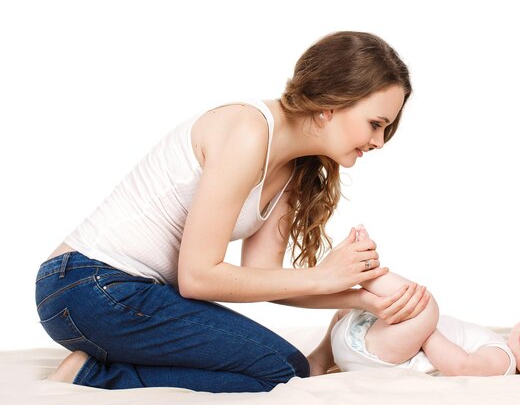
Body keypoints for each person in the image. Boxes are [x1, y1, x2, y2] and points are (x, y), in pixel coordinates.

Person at [35, 31, 432, 393]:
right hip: (88, 285)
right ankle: (93, 376)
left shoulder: (294, 169)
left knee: (284, 369)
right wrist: (323, 276)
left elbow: (265, 281)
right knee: (283, 369)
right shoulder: (248, 130)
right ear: (331, 103)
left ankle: (103, 365)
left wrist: (359, 297)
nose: (380, 141)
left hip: (127, 295)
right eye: (376, 124)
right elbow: (197, 278)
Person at [307, 226, 520, 377]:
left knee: (427, 307)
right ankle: (320, 360)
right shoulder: (497, 342)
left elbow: (461, 366)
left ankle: (368, 271)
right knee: (352, 310)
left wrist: (425, 327)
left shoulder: (504, 362)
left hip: (383, 355)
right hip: (368, 336)